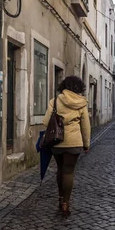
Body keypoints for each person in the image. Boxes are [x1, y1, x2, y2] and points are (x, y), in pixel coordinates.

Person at [43, 76, 91, 216]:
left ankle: (59, 198)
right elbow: (85, 126)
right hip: (74, 142)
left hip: (57, 142)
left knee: (60, 169)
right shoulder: (82, 103)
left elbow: (46, 122)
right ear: (79, 88)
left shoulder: (55, 101)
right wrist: (86, 144)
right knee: (68, 172)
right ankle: (66, 203)